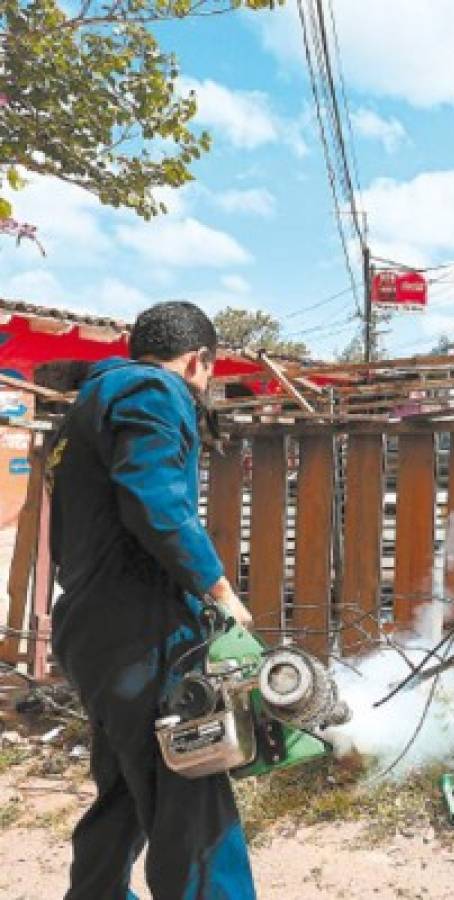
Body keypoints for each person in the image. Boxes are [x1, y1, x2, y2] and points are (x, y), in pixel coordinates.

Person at [48, 301, 256, 899]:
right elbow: (157, 502)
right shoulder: (154, 391)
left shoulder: (90, 406)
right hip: (142, 626)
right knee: (190, 788)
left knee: (124, 790)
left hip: (93, 627)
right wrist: (218, 589)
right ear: (200, 360)